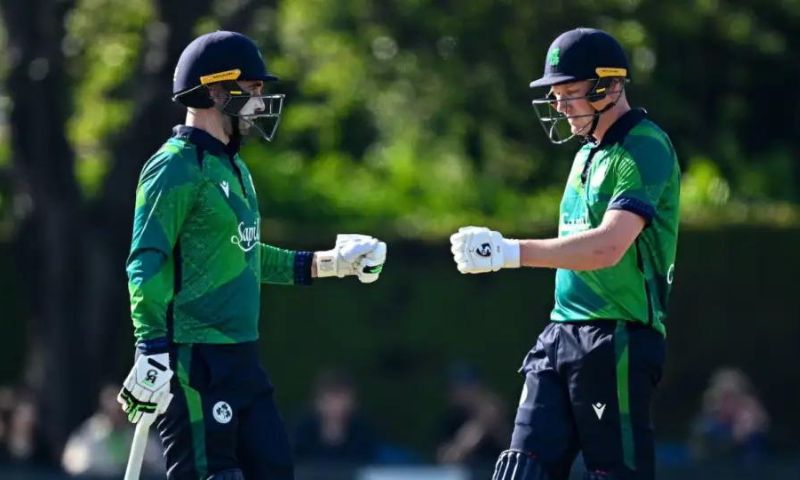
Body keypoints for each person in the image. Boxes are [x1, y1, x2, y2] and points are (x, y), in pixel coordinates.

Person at [115, 30, 387, 480]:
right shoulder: (174, 166)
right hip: (193, 360)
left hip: (242, 358)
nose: (260, 103)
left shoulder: (234, 167)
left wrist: (333, 262)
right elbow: (146, 260)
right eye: (252, 90)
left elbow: (244, 254)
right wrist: (151, 348)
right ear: (214, 90)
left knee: (276, 469)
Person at [449, 28, 680, 480]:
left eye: (570, 93)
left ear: (611, 86)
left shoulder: (645, 147)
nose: (559, 106)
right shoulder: (586, 155)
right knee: (520, 468)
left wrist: (508, 251)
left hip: (617, 337)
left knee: (613, 473)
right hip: (561, 332)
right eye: (555, 95)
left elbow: (609, 246)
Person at [62, 384, 164, 476]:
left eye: (120, 410)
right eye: (111, 409)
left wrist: (142, 463)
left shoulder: (139, 432)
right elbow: (73, 463)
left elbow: (158, 464)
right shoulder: (90, 432)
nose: (116, 415)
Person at [293, 368, 377, 464]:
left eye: (342, 400)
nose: (336, 407)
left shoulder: (363, 432)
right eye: (330, 400)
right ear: (317, 402)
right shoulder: (301, 433)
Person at [688, 368, 769, 464]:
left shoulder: (751, 424)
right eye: (725, 397)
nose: (730, 402)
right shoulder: (706, 426)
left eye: (735, 397)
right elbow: (700, 455)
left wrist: (756, 427)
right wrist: (734, 439)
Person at [436, 363, 509, 466]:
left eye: (467, 387)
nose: (459, 393)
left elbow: (513, 448)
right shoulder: (451, 421)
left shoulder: (502, 416)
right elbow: (447, 458)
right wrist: (480, 423)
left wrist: (494, 420)